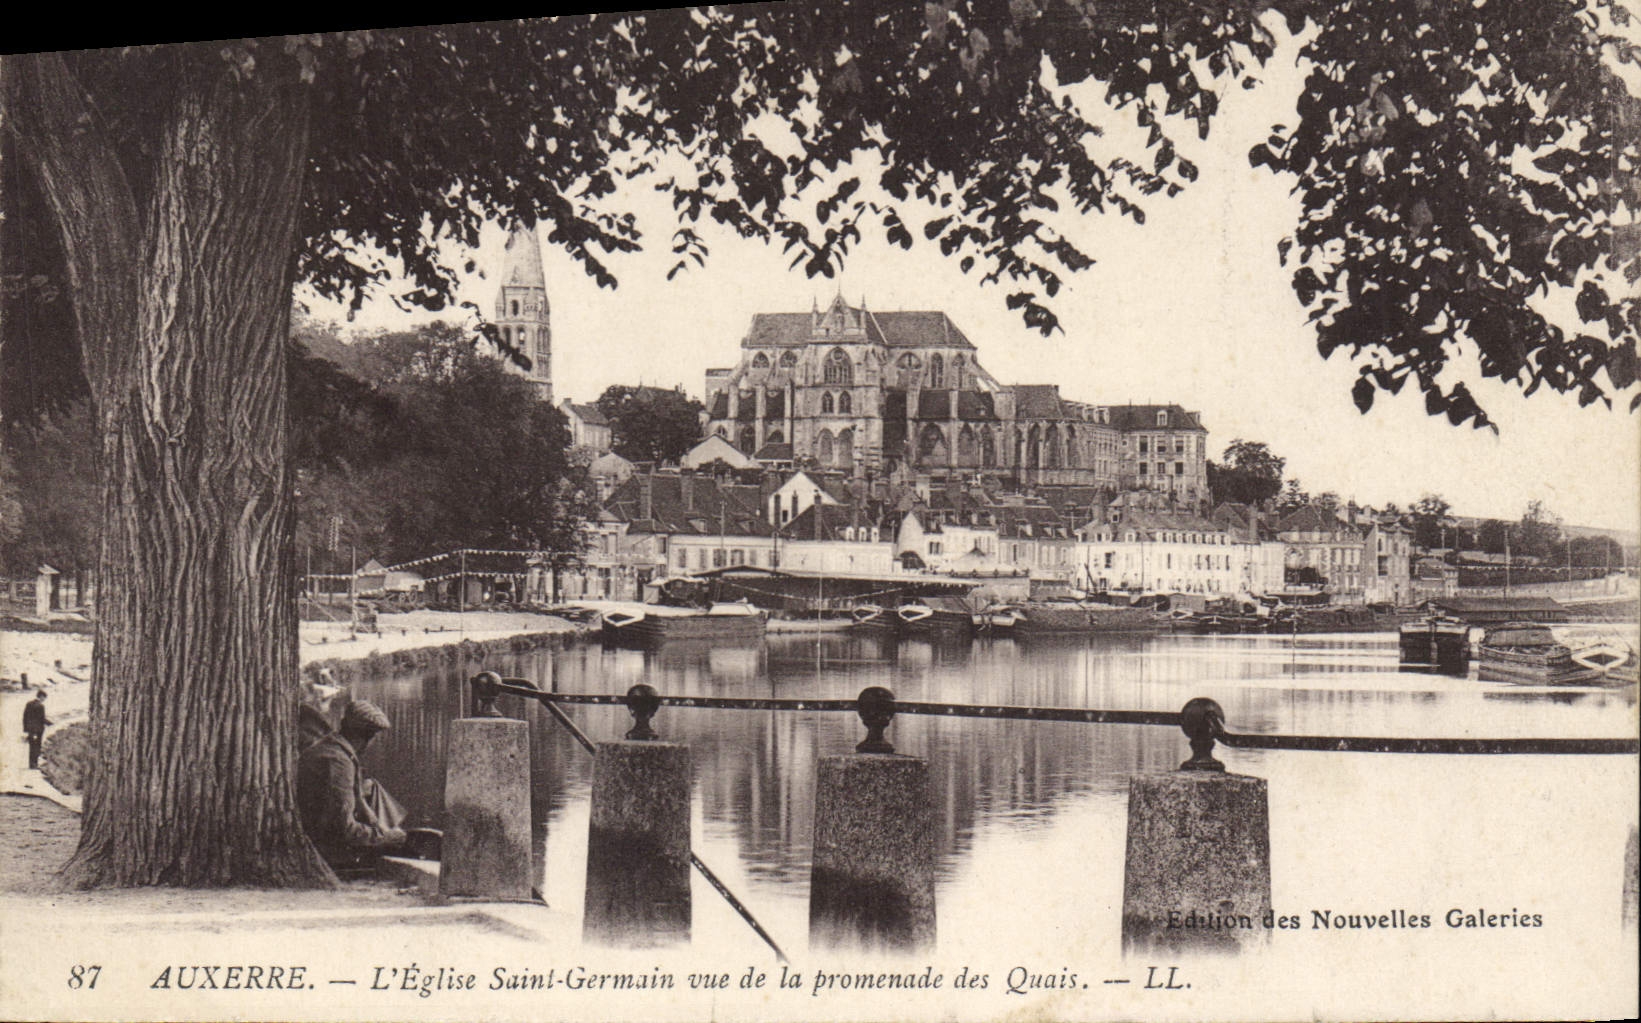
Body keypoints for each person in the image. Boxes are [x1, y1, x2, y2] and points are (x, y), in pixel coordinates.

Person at [296, 697, 406, 868]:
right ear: (369, 737)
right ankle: (389, 833)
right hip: (325, 848)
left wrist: (362, 803)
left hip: (312, 830)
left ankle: (386, 829)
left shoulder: (331, 747)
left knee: (372, 786)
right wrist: (384, 838)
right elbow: (344, 830)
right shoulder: (340, 763)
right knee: (396, 839)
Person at [21, 690, 49, 770]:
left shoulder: (29, 704)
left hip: (30, 730)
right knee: (37, 746)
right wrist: (50, 723)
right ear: (41, 697)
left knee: (31, 746)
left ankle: (31, 764)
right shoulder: (41, 706)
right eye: (44, 698)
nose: (44, 700)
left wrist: (26, 729)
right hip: (38, 730)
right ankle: (35, 764)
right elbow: (42, 719)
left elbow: (25, 717)